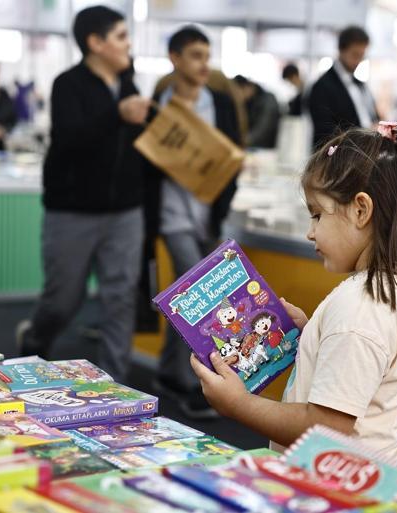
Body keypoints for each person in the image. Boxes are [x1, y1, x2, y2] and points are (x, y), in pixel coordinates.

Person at [190, 123, 397, 465]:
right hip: (369, 482)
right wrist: (314, 334)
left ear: (360, 210)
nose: (311, 233)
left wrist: (238, 405)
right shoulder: (393, 288)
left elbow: (325, 429)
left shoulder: (359, 309)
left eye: (317, 215)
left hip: (341, 491)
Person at [16, 6, 150, 382]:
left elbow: (135, 145)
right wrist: (117, 115)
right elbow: (71, 140)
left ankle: (114, 388)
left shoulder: (129, 85)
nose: (129, 44)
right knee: (63, 301)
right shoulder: (68, 84)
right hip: (72, 211)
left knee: (119, 300)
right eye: (121, 36)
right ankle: (35, 339)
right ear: (95, 42)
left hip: (125, 210)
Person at [146, 26, 242, 419]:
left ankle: (169, 371)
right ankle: (195, 385)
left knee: (188, 297)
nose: (204, 64)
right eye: (195, 56)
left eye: (207, 55)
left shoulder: (219, 102)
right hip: (172, 216)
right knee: (199, 295)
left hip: (209, 216)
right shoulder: (159, 103)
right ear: (175, 58)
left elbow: (233, 157)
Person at [308, 26, 379, 148]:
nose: (358, 61)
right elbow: (324, 135)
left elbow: (373, 117)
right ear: (341, 50)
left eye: (362, 56)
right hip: (343, 159)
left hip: (369, 152)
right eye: (355, 55)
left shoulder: (360, 85)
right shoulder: (321, 87)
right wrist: (365, 134)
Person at [233, 75, 280, 149]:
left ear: (246, 87)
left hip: (267, 148)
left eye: (238, 92)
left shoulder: (268, 100)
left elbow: (264, 126)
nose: (239, 97)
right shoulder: (251, 101)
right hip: (256, 147)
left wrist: (245, 141)